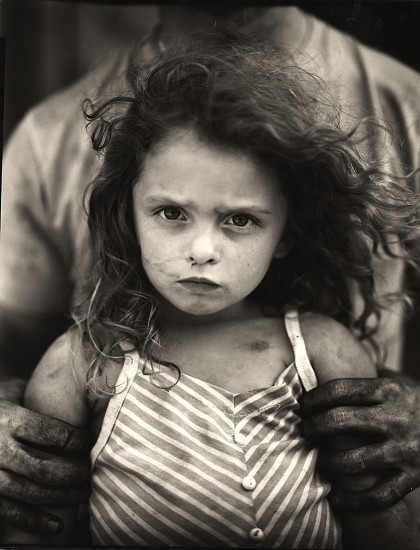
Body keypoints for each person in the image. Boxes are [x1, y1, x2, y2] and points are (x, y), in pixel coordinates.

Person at [1, 3, 419, 537]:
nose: (202, 249)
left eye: (241, 219)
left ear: (287, 231)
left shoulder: (407, 103)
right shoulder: (84, 361)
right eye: (171, 212)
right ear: (126, 213)